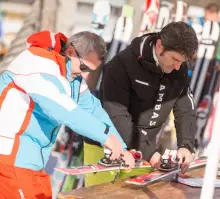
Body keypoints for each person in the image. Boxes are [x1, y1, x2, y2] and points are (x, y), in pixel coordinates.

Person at [0, 30, 134, 199]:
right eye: (84, 67)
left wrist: (119, 147)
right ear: (70, 51)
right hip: (9, 160)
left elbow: (93, 110)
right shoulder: (37, 63)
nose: (85, 75)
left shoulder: (71, 75)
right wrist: (106, 137)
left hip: (31, 164)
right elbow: (64, 110)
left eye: (91, 71)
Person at [84, 21, 198, 186]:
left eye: (182, 61)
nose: (178, 66)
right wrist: (150, 153)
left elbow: (185, 108)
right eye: (175, 59)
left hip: (143, 151)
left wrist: (186, 145)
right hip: (106, 146)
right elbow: (116, 114)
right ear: (160, 46)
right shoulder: (121, 64)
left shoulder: (178, 70)